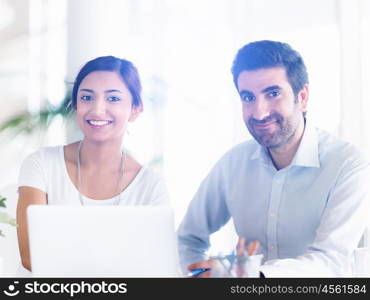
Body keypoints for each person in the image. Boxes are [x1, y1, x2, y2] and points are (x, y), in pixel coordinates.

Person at [177, 40, 370, 277]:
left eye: (273, 94)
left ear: (303, 96)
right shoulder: (232, 164)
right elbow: (187, 239)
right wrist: (198, 278)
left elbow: (331, 261)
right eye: (248, 97)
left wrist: (245, 274)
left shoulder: (348, 165)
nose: (259, 112)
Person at [16, 56, 170, 273]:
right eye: (87, 97)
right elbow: (32, 256)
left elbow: (154, 267)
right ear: (75, 104)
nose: (97, 110)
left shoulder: (151, 187)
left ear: (135, 110)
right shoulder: (41, 164)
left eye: (113, 99)